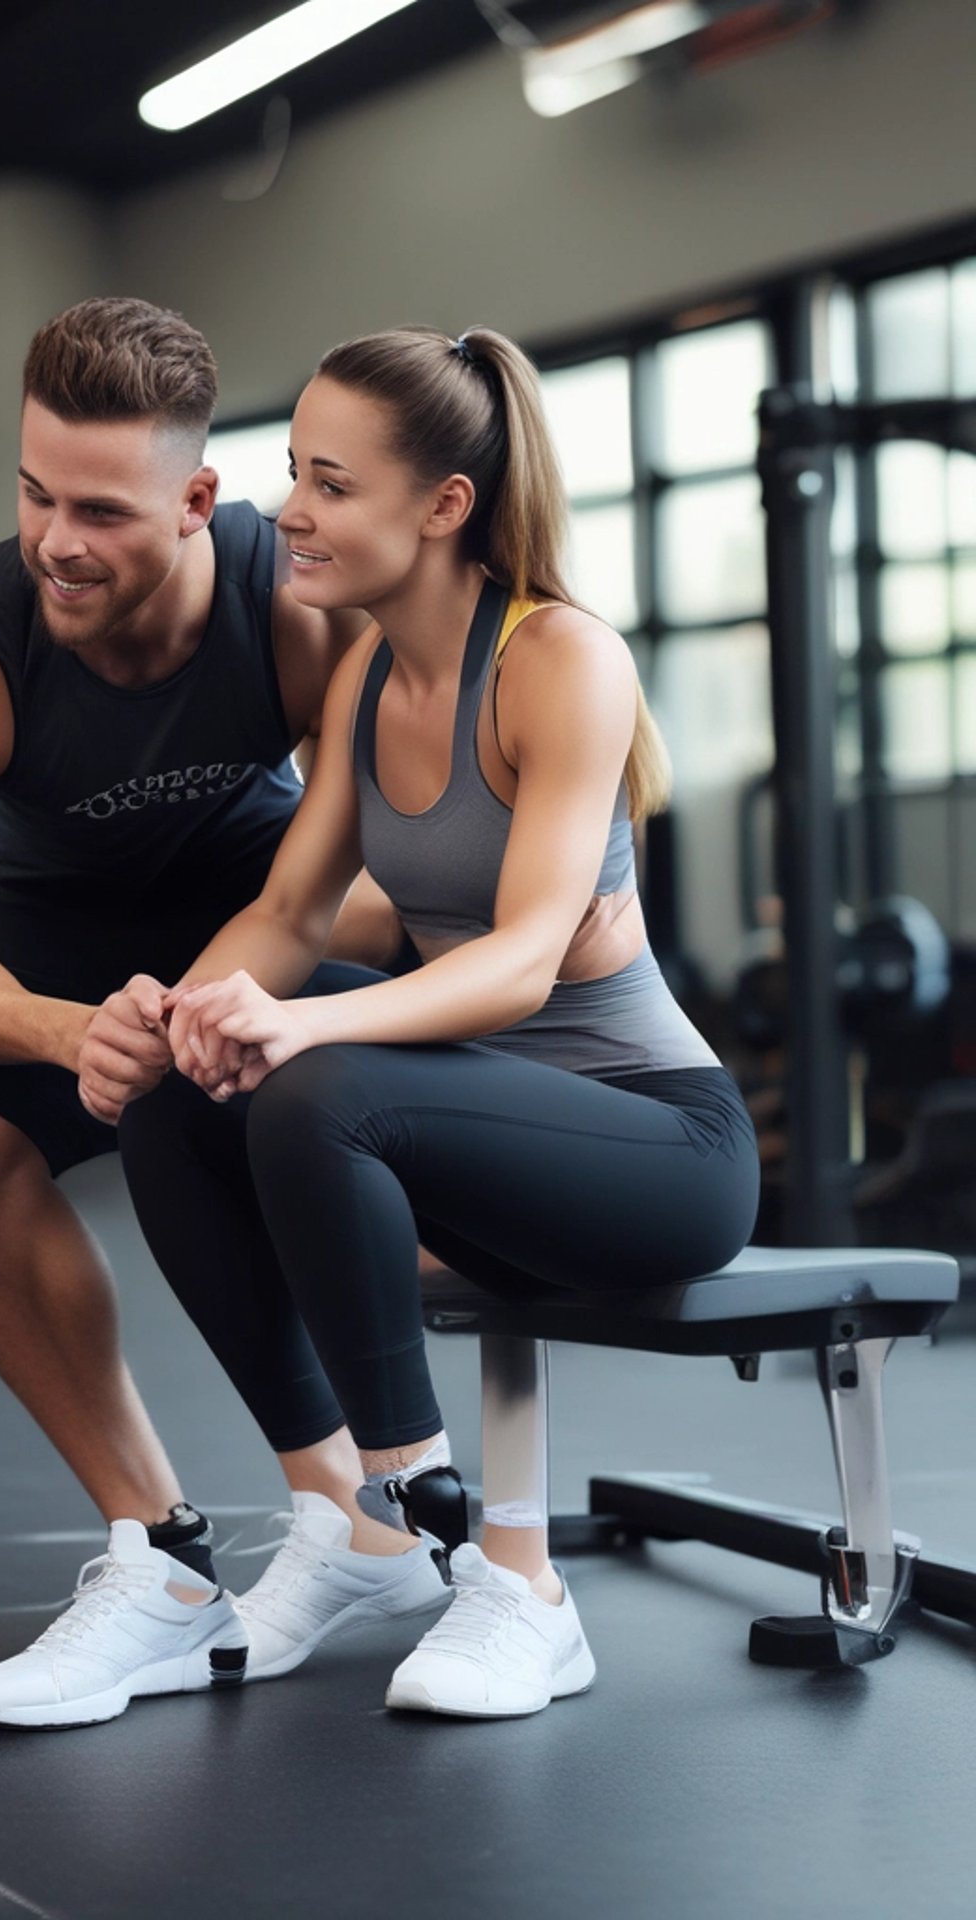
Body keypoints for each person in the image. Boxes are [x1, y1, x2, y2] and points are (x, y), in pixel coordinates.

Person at [109, 324, 761, 1718]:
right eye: (295, 473)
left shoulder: (557, 658)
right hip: (473, 1104)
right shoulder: (361, 682)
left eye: (331, 484)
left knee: (317, 1081)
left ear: (444, 505)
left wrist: (301, 1034)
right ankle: (354, 1520)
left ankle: (483, 1562)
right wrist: (195, 1009)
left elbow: (525, 960)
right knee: (189, 1081)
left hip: (662, 1145)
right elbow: (288, 919)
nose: (292, 510)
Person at [0, 296, 448, 1731]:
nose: (57, 539)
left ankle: (372, 1505)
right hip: (57, 940)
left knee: (323, 1068)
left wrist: (247, 992)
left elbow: (397, 875)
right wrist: (73, 1032)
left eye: (103, 512)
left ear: (196, 500)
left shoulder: (298, 610)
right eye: (35, 493)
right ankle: (165, 1554)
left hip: (270, 902)